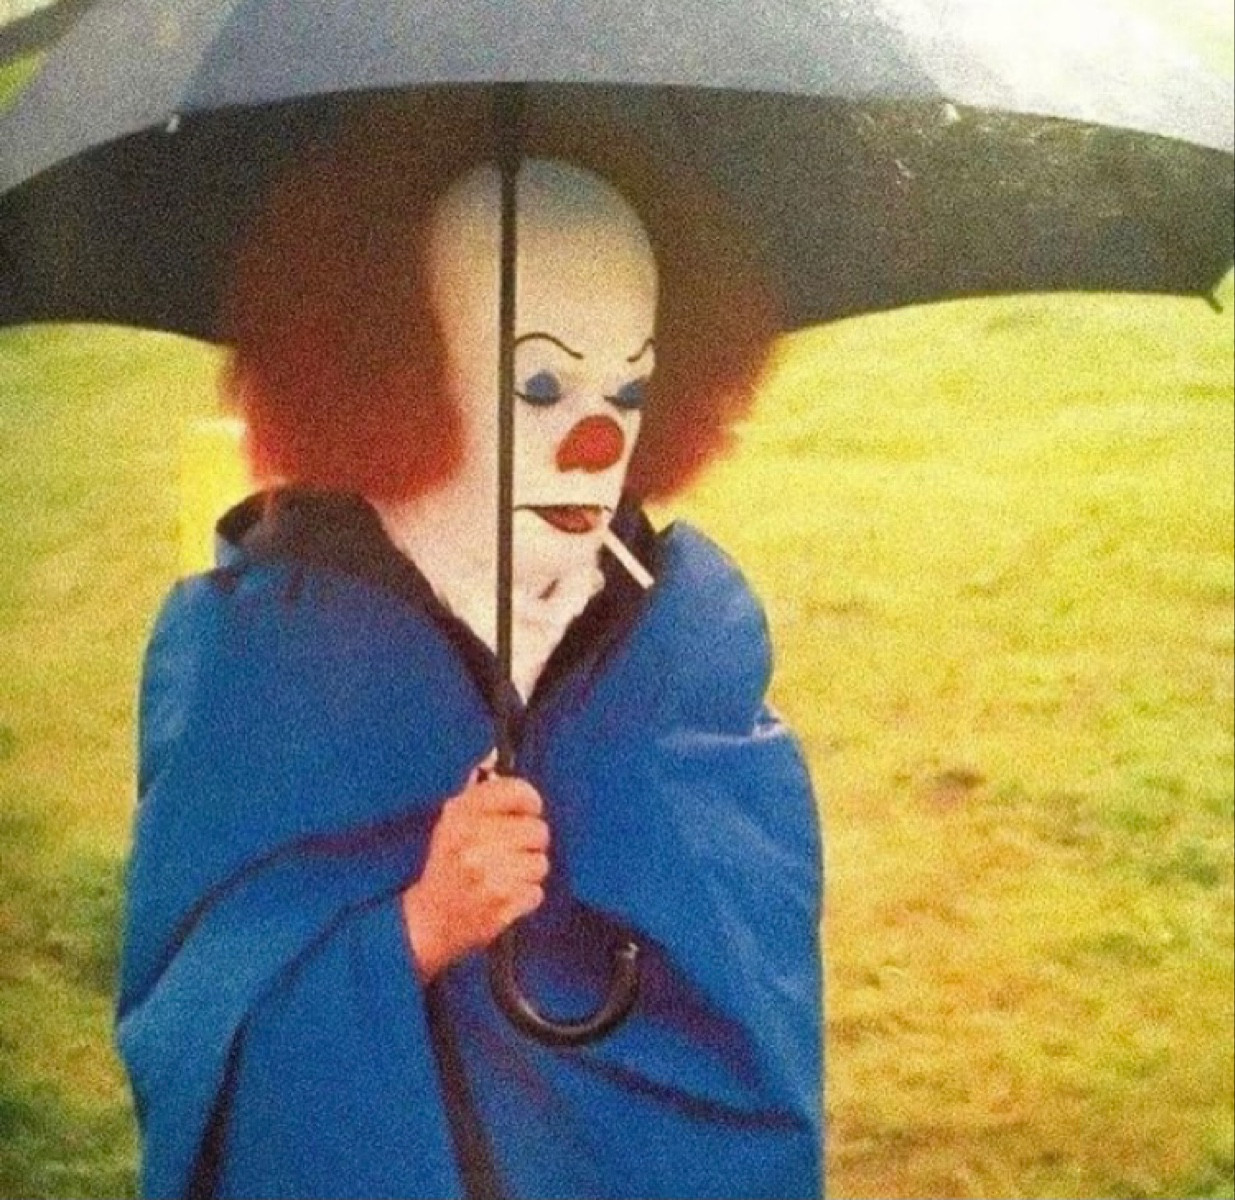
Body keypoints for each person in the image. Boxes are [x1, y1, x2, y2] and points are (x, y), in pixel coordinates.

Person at [117, 102, 822, 1200]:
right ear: (393, 372)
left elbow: (752, 1044)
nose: (596, 444)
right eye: (539, 385)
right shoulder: (255, 661)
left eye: (628, 390)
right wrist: (413, 929)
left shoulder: (688, 651)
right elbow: (194, 1046)